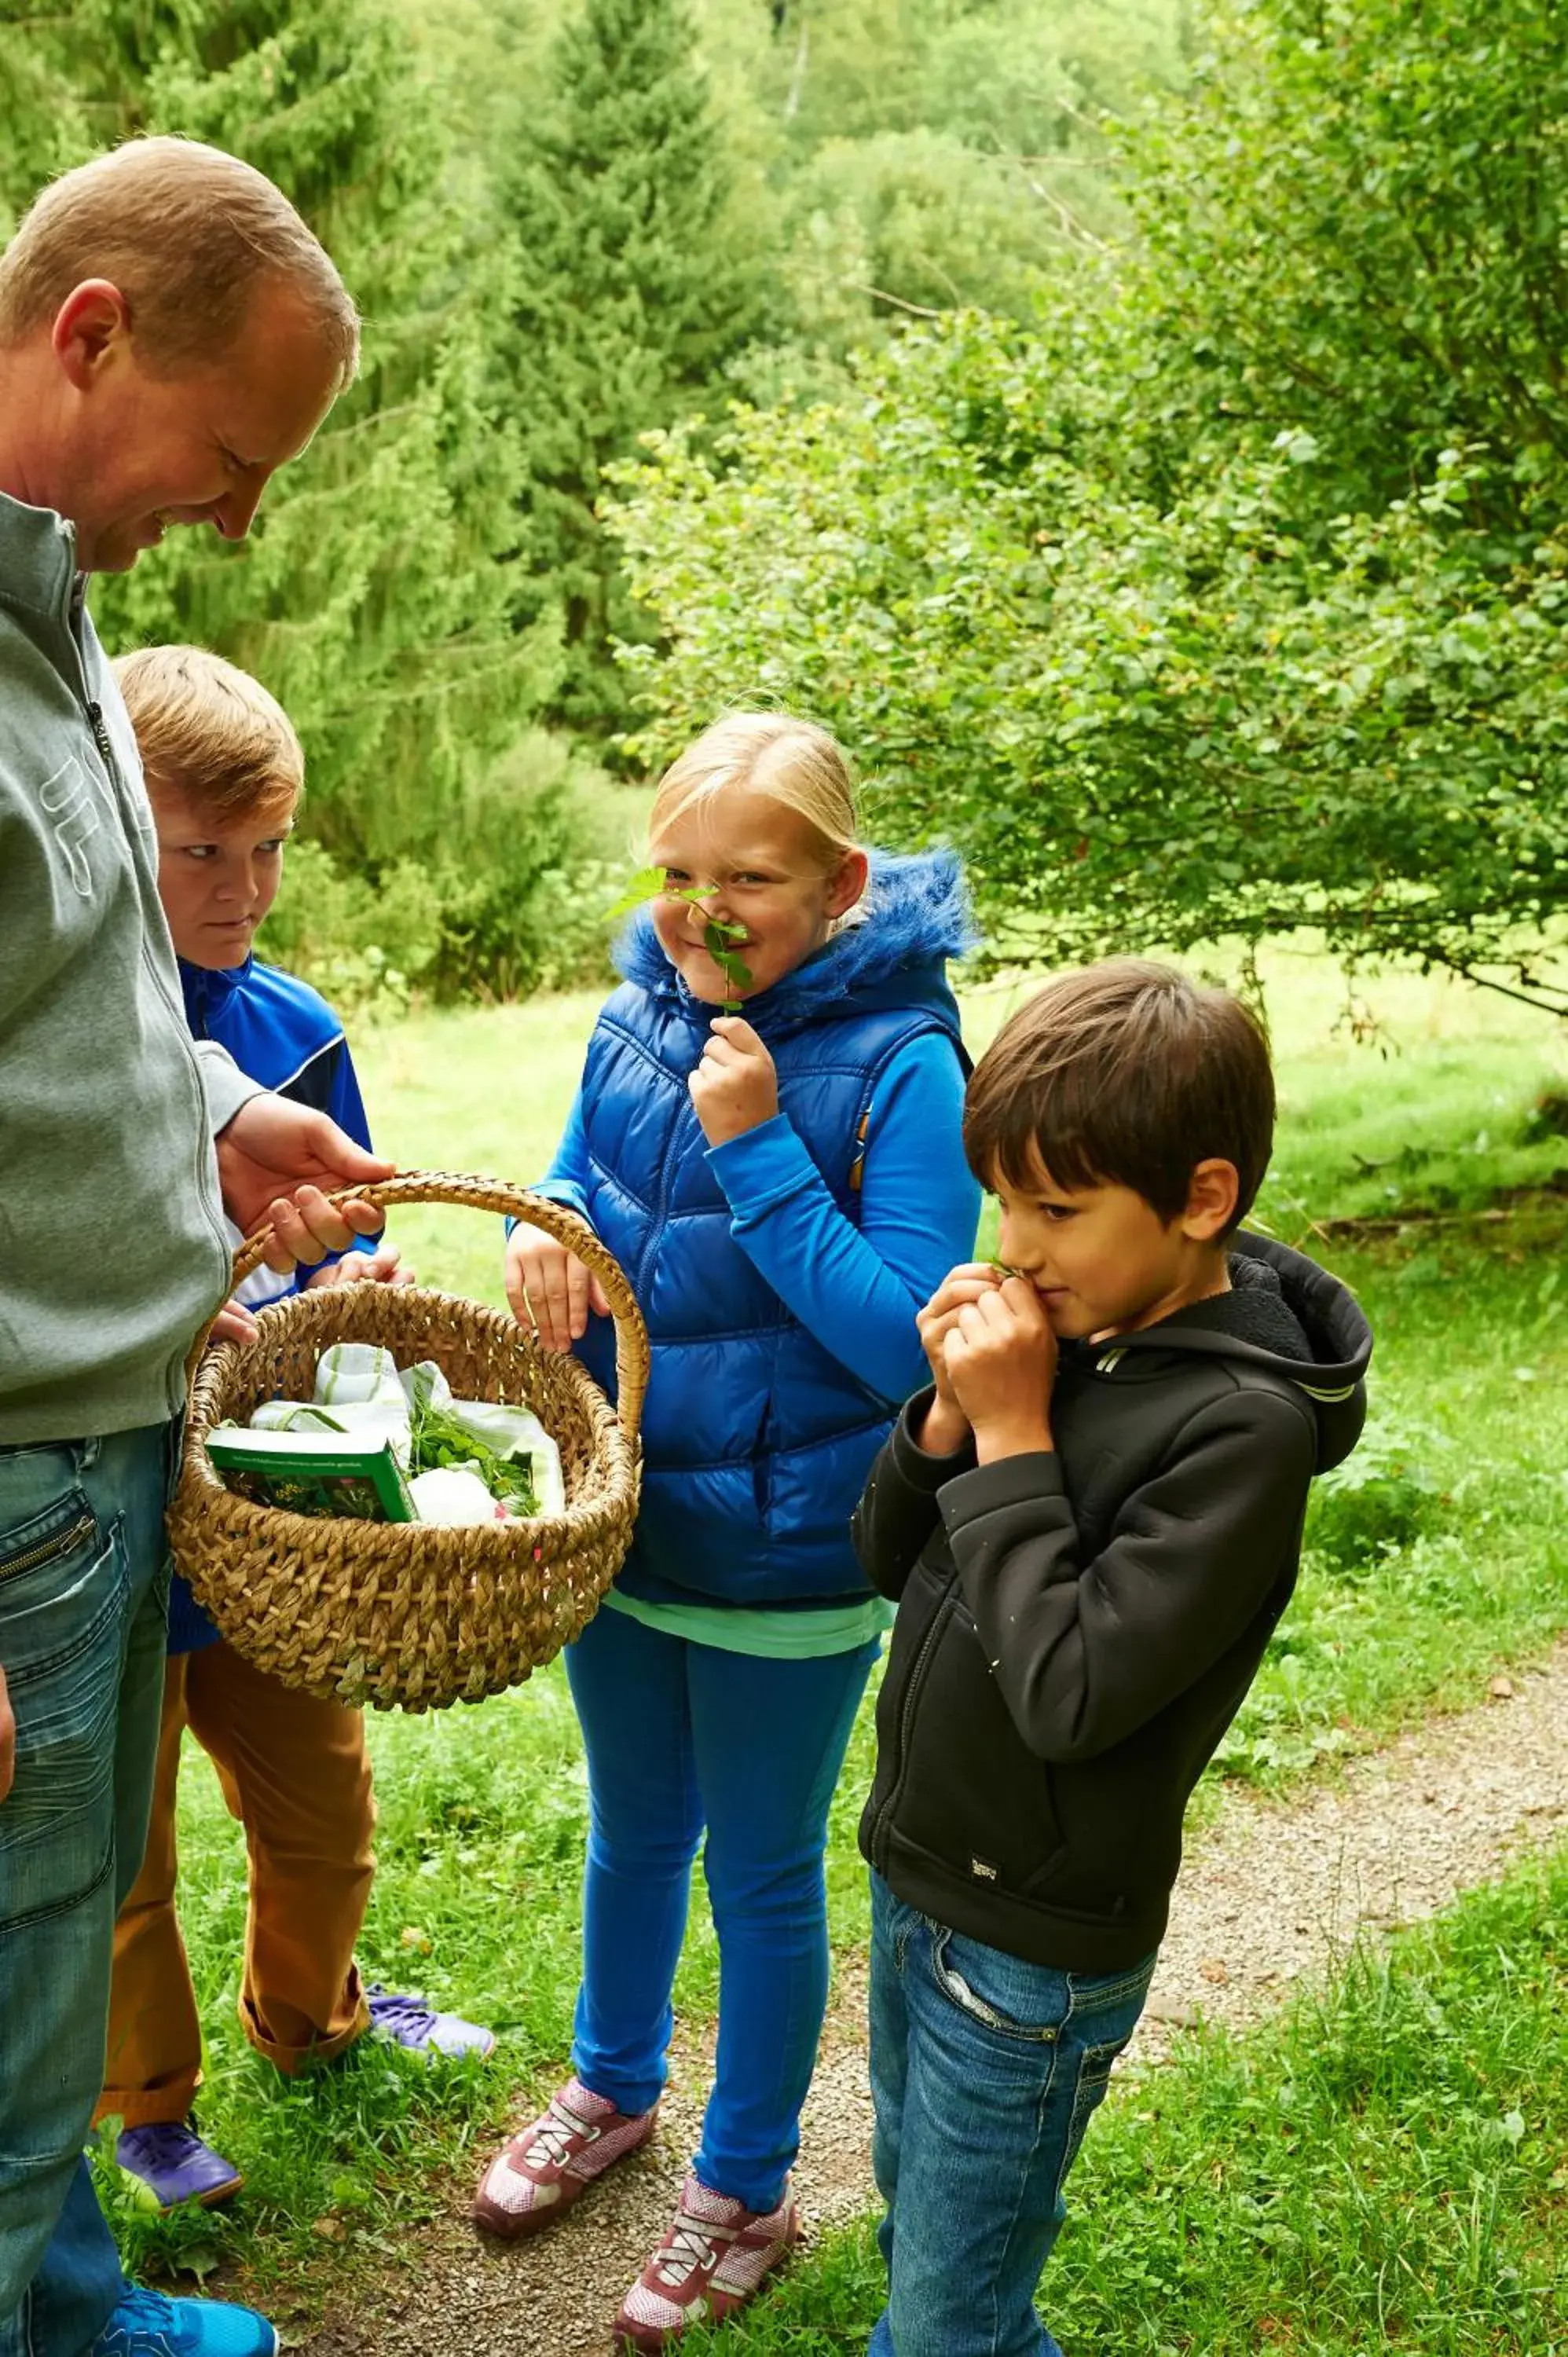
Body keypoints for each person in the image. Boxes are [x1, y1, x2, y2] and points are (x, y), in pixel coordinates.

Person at [0, 137, 395, 2357]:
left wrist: (219, 1109)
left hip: (92, 1447)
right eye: (232, 455)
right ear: (88, 338)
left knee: (36, 1969)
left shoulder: (39, 598)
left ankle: (63, 2306)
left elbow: (60, 1000)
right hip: (12, 1482)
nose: (241, 519)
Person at [473, 713, 981, 2350]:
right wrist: (539, 1249)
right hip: (628, 1525)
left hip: (787, 1552)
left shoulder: (904, 1063)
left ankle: (742, 2188)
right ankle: (610, 2088)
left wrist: (757, 1144)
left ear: (839, 883)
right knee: (630, 1836)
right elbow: (569, 1198)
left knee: (759, 1877)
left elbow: (905, 1343)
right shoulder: (634, 1018)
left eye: (748, 879)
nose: (702, 913)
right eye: (679, 875)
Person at [850, 959, 1374, 2357]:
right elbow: (889, 1565)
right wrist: (949, 1429)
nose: (1016, 1247)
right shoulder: (1077, 1330)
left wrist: (1017, 1432)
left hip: (1032, 1956)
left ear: (1202, 1200)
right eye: (1006, 1200)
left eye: (1059, 1209)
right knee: (926, 2242)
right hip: (922, 1883)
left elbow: (1071, 1697)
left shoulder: (1240, 1432)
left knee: (945, 2319)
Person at [92, 646, 493, 2216]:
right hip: (113, 1512)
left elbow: (339, 1241)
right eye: (205, 850)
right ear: (118, 828)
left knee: (320, 1807)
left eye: (269, 849)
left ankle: (314, 2017)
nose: (245, 885)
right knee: (125, 1857)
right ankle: (148, 2105)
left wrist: (359, 1281)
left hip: (276, 1523)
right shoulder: (65, 1020)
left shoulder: (297, 1023)